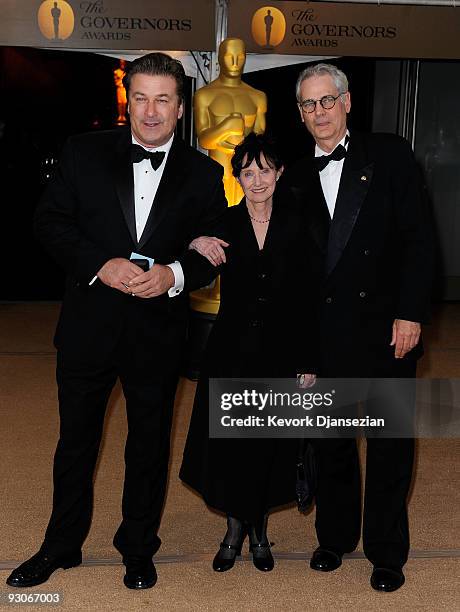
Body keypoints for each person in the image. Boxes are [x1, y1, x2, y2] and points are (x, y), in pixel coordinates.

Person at [6, 52, 227, 590]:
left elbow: (217, 245)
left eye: (164, 100)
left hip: (158, 331)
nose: (151, 112)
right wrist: (100, 264)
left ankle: (137, 546)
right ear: (129, 101)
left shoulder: (204, 172)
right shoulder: (83, 152)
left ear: (181, 108)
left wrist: (174, 275)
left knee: (148, 445)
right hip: (89, 325)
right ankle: (61, 546)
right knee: (75, 442)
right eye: (142, 98)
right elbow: (49, 221)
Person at [282, 63, 434, 592]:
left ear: (347, 103)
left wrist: (412, 311)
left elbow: (419, 238)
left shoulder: (389, 154)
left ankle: (386, 552)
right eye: (308, 105)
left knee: (390, 443)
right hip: (325, 334)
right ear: (299, 115)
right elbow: (296, 274)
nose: (318, 113)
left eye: (327, 101)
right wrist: (301, 353)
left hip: (387, 329)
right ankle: (335, 537)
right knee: (332, 442)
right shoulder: (296, 177)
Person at [179, 133, 317, 573]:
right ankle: (234, 531)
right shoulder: (225, 223)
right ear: (238, 177)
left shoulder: (300, 222)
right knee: (233, 442)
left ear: (279, 173)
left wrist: (308, 358)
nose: (256, 179)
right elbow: (182, 247)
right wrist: (193, 243)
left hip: (280, 350)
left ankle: (257, 532)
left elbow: (310, 297)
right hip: (231, 350)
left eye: (264, 170)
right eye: (247, 171)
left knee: (267, 443)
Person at [194, 38, 267, 206]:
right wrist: (225, 128)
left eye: (240, 57)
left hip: (247, 171)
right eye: (229, 57)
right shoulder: (204, 95)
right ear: (220, 58)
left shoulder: (257, 97)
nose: (235, 63)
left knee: (245, 220)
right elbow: (203, 140)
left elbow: (260, 141)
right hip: (218, 169)